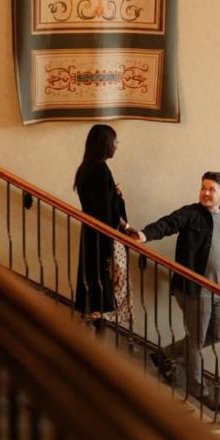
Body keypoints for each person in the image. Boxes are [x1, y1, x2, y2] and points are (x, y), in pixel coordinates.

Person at [135, 172, 220, 408]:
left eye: (211, 189)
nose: (206, 193)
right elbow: (168, 223)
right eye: (203, 188)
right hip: (195, 289)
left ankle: (165, 355)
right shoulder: (191, 213)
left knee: (218, 334)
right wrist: (145, 234)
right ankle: (198, 389)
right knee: (197, 340)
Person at [72, 124, 136, 326]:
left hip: (93, 235)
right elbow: (105, 211)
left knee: (98, 289)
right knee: (104, 290)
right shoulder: (100, 170)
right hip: (101, 237)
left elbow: (105, 205)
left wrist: (115, 198)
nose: (116, 146)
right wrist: (111, 248)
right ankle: (96, 345)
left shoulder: (86, 168)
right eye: (114, 141)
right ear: (105, 143)